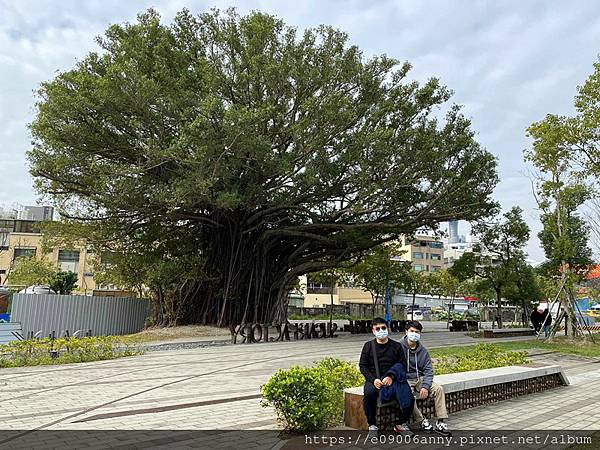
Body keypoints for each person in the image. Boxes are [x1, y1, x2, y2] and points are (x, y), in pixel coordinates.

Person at [359, 317, 413, 436]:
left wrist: (391, 377)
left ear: (388, 329)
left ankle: (401, 423)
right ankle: (372, 425)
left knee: (408, 396)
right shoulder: (368, 346)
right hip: (375, 378)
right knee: (369, 394)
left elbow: (402, 365)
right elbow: (363, 366)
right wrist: (373, 380)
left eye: (383, 328)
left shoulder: (396, 346)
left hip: (392, 377)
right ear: (373, 331)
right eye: (377, 329)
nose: (381, 330)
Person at [400, 320, 451, 437]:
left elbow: (429, 371)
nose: (414, 334)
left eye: (416, 332)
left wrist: (425, 386)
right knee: (408, 395)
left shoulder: (423, 351)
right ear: (406, 332)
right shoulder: (399, 347)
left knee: (438, 389)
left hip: (420, 378)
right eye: (411, 331)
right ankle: (422, 421)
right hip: (404, 379)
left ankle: (441, 421)